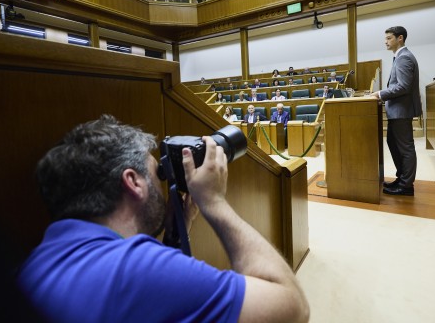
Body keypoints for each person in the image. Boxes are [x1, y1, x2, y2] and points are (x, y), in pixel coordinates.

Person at [16, 115, 309, 323]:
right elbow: (292, 309)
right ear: (133, 182)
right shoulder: (136, 267)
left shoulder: (36, 265)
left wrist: (174, 238)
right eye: (156, 172)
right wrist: (214, 202)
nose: (162, 183)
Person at [372, 26, 422, 197]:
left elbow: (403, 86)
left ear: (400, 38)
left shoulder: (404, 57)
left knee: (405, 148)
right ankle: (401, 180)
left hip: (401, 111)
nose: (385, 42)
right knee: (394, 144)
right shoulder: (400, 57)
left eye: (389, 38)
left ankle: (406, 185)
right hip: (397, 111)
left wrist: (379, 94)